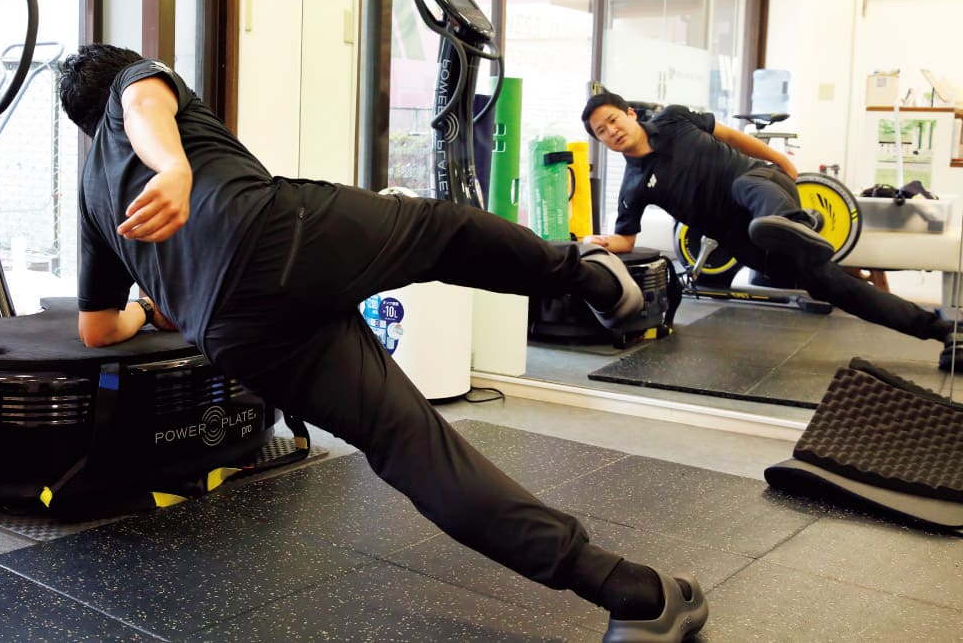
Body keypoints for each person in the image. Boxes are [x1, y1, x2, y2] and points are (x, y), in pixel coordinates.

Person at [58, 44, 709, 643]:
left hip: (233, 332)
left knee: (411, 448)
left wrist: (153, 308)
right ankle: (589, 277)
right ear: (120, 77)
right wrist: (172, 165)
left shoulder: (91, 194)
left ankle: (630, 595)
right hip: (276, 238)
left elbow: (97, 329)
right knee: (444, 232)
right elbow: (144, 106)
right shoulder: (134, 86)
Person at [581, 91, 959, 372]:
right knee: (840, 289)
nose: (612, 130)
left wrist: (778, 158)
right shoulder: (633, 186)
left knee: (748, 191)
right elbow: (626, 239)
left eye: (614, 119)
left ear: (630, 114)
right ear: (599, 141)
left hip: (761, 182)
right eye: (601, 131)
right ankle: (943, 330)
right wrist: (596, 243)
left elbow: (730, 136)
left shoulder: (675, 119)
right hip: (745, 241)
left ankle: (788, 223)